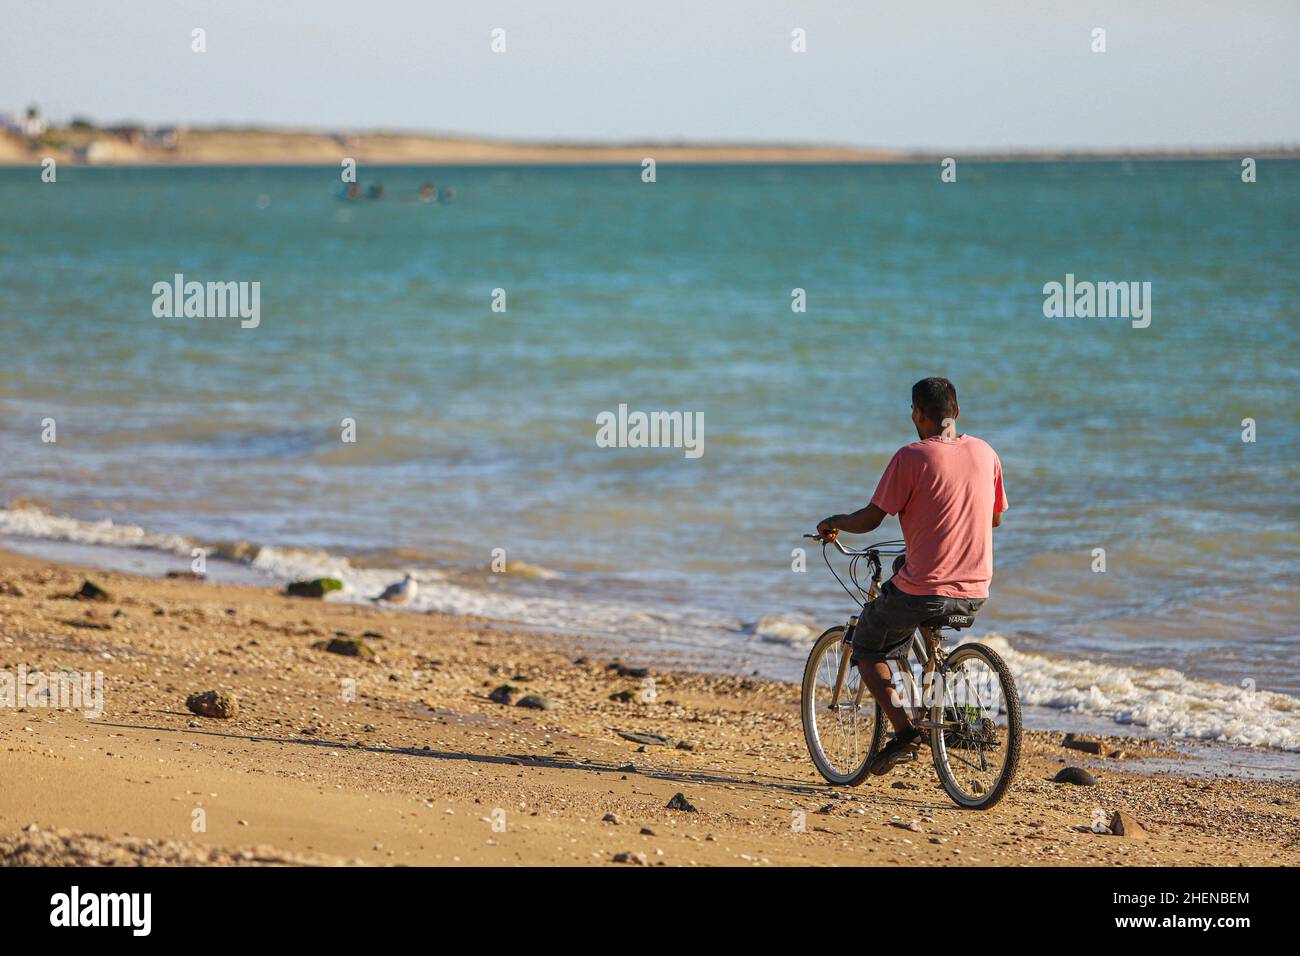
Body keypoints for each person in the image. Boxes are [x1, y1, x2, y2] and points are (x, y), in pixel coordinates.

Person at [815, 377, 1007, 775]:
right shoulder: (987, 453)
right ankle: (934, 698)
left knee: (868, 643)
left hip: (925, 591)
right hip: (976, 587)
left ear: (917, 415)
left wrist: (833, 522)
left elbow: (870, 519)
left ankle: (905, 734)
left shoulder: (911, 456)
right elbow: (995, 518)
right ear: (956, 412)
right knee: (909, 573)